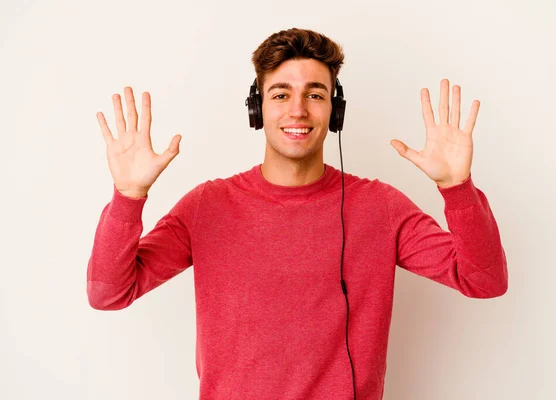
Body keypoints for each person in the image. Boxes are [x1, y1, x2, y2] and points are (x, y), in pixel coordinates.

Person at [88, 27, 508, 400]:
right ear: (257, 108)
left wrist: (457, 189)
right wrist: (129, 196)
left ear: (335, 111)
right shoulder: (207, 206)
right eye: (281, 94)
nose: (298, 110)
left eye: (315, 94)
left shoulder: (380, 207)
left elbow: (484, 281)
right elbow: (109, 293)